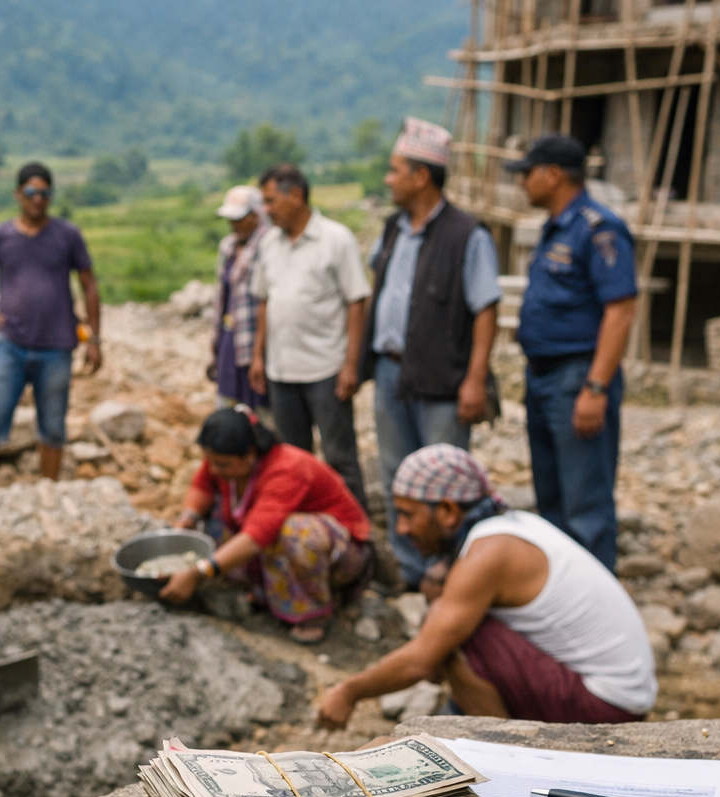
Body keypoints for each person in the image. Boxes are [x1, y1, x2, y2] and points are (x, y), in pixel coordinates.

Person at [315, 446, 655, 730]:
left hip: (607, 708)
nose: (401, 529)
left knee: (455, 641)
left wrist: (350, 691)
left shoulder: (489, 552)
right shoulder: (507, 528)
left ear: (448, 511)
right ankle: (464, 717)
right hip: (619, 694)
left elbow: (421, 660)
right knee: (447, 612)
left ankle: (503, 754)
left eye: (407, 514)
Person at [364, 118, 502, 589]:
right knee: (397, 475)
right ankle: (408, 570)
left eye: (395, 169)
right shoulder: (391, 230)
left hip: (443, 380)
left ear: (421, 176)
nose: (388, 179)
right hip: (390, 372)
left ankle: (451, 572)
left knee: (446, 485)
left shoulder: (467, 234)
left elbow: (486, 309)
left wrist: (475, 379)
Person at [506, 134, 637, 571]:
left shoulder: (599, 229)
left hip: (576, 375)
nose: (522, 182)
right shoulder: (555, 227)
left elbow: (620, 311)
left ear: (553, 174)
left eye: (527, 173)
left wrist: (596, 387)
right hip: (543, 374)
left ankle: (594, 606)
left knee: (586, 501)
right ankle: (561, 593)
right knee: (553, 497)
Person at [162, 407, 372, 644]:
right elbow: (203, 486)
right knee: (215, 519)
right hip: (271, 542)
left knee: (294, 532)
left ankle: (311, 610)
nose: (213, 470)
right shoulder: (226, 461)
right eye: (211, 462)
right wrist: (185, 522)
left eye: (221, 464)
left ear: (250, 454)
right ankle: (263, 591)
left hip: (341, 553)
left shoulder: (287, 468)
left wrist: (198, 572)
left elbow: (256, 536)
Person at [0, 162, 102, 485]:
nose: (38, 199)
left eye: (45, 193)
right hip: (9, 343)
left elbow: (89, 284)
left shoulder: (67, 235)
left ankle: (49, 493)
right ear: (18, 194)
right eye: (31, 192)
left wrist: (94, 339)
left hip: (57, 346)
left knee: (53, 427)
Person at [250, 163, 372, 512]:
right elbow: (264, 301)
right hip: (282, 370)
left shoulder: (336, 239)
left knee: (340, 457)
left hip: (326, 369)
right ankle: (306, 529)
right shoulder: (269, 243)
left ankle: (355, 534)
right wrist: (259, 356)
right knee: (292, 458)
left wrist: (351, 365)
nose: (266, 210)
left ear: (297, 195)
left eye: (271, 201)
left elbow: (356, 302)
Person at [209, 184, 270, 418]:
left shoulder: (269, 244)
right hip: (231, 334)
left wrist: (259, 353)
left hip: (257, 340)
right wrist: (214, 343)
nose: (234, 224)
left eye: (240, 218)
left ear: (256, 215)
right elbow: (222, 296)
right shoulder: (229, 247)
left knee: (261, 410)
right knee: (228, 404)